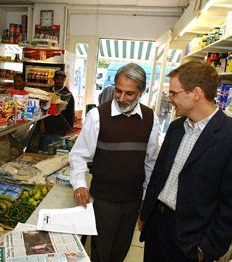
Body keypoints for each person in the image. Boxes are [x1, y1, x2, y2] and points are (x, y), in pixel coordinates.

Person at [139, 61, 232, 262]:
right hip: (157, 226)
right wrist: (146, 215)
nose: (169, 99)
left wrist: (205, 249)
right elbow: (159, 174)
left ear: (196, 93)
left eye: (173, 93)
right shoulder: (176, 128)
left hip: (190, 241)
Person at [69, 63, 160, 262]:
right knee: (101, 252)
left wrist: (146, 198)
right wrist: (80, 184)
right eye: (118, 91)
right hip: (103, 200)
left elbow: (151, 162)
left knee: (121, 250)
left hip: (132, 201)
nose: (121, 98)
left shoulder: (151, 119)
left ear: (141, 92)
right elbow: (78, 155)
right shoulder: (97, 116)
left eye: (129, 93)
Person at [40, 70, 75, 150]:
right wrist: (41, 124)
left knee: (57, 153)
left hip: (61, 130)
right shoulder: (47, 92)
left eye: (62, 79)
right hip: (47, 128)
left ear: (64, 80)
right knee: (45, 151)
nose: (60, 81)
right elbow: (41, 109)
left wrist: (69, 129)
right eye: (58, 79)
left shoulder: (68, 95)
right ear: (54, 79)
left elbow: (71, 113)